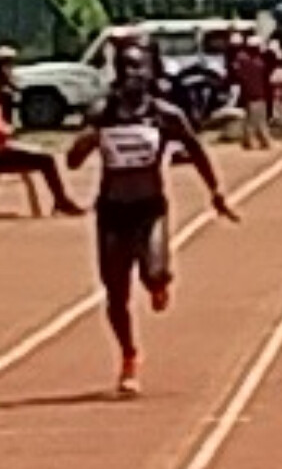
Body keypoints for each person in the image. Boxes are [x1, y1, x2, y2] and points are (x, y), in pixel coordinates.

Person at [67, 44, 237, 395]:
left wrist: (216, 192)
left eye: (138, 67)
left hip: (149, 209)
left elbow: (196, 150)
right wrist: (88, 139)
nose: (132, 74)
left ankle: (159, 282)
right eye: (125, 67)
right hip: (113, 211)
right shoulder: (102, 113)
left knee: (154, 272)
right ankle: (129, 356)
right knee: (116, 293)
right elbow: (72, 161)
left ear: (150, 71)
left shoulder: (164, 115)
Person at [0, 45, 84, 216]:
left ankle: (61, 202)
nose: (10, 70)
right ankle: (61, 202)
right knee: (46, 161)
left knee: (42, 158)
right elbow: (4, 129)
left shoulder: (6, 93)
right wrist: (8, 132)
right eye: (6, 65)